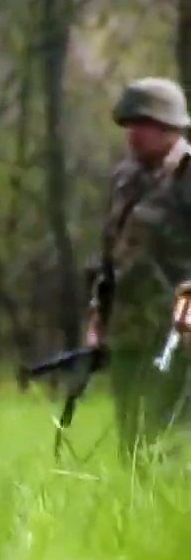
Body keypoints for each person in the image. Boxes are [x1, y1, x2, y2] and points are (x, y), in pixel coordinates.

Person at [89, 77, 191, 456]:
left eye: (141, 124)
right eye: (129, 124)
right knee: (132, 443)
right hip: (130, 333)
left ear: (168, 126)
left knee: (173, 440)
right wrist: (97, 317)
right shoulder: (124, 179)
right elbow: (110, 255)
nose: (132, 134)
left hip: (179, 335)